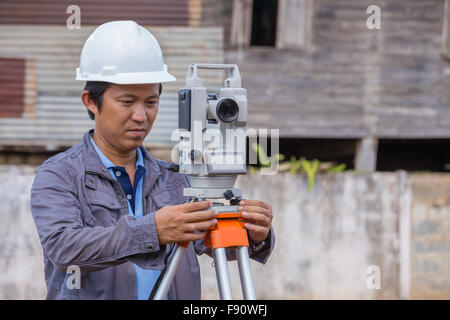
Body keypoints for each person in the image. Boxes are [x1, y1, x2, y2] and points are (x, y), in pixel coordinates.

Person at [30, 20, 274, 300]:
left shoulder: (177, 178)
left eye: (150, 102)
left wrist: (256, 235)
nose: (141, 116)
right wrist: (153, 231)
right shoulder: (60, 174)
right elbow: (64, 248)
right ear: (90, 101)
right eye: (127, 101)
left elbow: (215, 244)